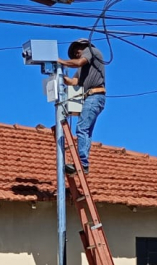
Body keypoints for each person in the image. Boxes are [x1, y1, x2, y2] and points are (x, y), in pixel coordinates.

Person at [59, 38, 106, 175]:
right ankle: (82, 163)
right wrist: (59, 75)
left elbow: (79, 62)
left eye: (76, 50)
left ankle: (82, 163)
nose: (76, 54)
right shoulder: (83, 68)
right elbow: (74, 81)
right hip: (91, 98)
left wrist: (60, 61)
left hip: (94, 96)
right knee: (86, 131)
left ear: (84, 46)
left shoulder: (92, 51)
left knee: (82, 129)